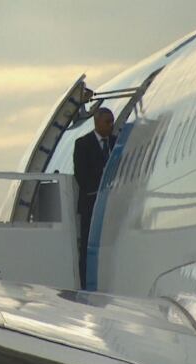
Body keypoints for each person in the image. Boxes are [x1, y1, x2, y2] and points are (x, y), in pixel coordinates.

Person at [73, 107, 115, 289]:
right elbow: (81, 175)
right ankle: (86, 283)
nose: (111, 126)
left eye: (112, 121)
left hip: (112, 205)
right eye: (107, 122)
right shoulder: (83, 144)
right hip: (91, 203)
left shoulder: (116, 143)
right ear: (97, 123)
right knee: (88, 245)